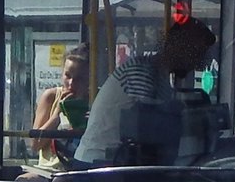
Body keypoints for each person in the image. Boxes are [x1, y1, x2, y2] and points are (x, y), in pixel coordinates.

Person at [74, 17, 216, 165]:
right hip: (100, 163)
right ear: (180, 48)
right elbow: (146, 130)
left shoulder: (160, 77)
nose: (198, 64)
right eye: (197, 54)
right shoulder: (142, 71)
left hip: (118, 161)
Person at [29, 51, 89, 174]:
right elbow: (35, 145)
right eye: (68, 76)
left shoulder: (94, 100)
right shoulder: (51, 97)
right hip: (48, 169)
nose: (71, 83)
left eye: (78, 79)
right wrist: (57, 113)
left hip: (79, 169)